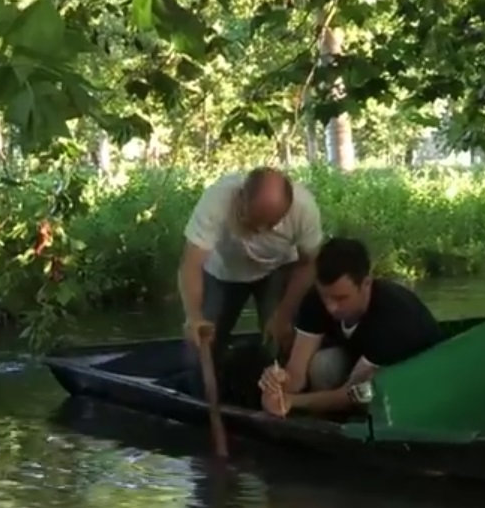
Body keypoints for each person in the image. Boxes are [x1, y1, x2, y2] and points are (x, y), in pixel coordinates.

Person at [257, 237, 442, 416]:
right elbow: (296, 374)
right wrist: (278, 383)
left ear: (366, 284)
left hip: (419, 380)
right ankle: (327, 420)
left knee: (369, 392)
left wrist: (291, 401)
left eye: (341, 298)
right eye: (325, 296)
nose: (331, 307)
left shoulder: (394, 318)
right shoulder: (315, 301)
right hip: (359, 365)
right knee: (324, 365)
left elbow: (351, 394)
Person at [179, 167, 323, 390]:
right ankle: (200, 397)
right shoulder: (216, 200)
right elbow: (191, 263)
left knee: (277, 342)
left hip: (277, 269)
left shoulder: (304, 209)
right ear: (240, 198)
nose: (261, 230)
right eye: (254, 221)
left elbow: (309, 264)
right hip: (222, 272)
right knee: (203, 344)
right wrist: (193, 316)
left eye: (271, 224)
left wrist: (284, 313)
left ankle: (281, 398)